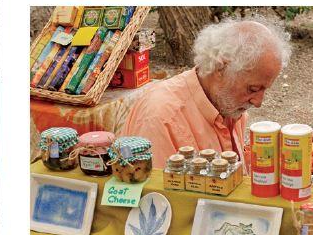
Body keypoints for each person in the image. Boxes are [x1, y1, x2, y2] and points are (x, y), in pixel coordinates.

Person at [119, 17, 291, 166]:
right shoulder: (161, 117)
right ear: (220, 67)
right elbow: (155, 199)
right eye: (253, 89)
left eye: (264, 89)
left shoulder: (228, 104)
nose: (258, 102)